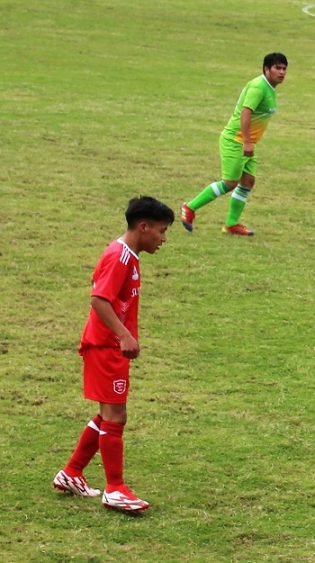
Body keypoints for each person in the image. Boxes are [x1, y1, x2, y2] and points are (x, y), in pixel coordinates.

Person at [53, 197, 174, 512]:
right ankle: (115, 488)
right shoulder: (119, 256)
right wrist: (123, 335)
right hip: (106, 347)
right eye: (161, 231)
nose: (163, 239)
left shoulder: (129, 255)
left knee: (107, 416)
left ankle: (71, 473)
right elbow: (99, 300)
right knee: (116, 417)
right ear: (143, 226)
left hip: (108, 346)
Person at [180, 52, 288, 237]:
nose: (282, 72)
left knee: (248, 181)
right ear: (266, 69)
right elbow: (246, 113)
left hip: (247, 143)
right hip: (235, 141)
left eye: (284, 68)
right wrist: (246, 141)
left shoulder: (269, 87)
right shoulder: (258, 87)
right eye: (277, 68)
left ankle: (231, 224)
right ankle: (190, 207)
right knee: (230, 182)